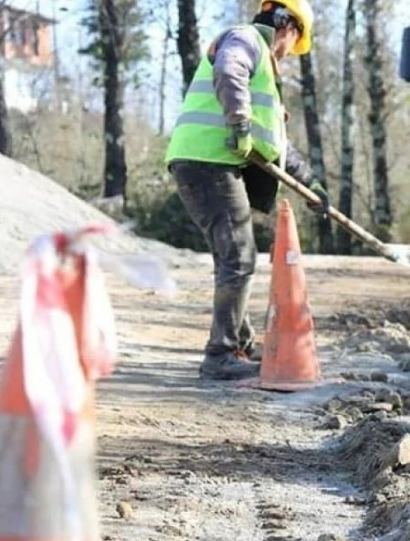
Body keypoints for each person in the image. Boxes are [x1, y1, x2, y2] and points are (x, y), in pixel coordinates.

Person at [165, 0, 330, 381]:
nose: (290, 52)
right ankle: (221, 354)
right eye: (296, 41)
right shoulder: (247, 40)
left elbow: (278, 146)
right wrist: (239, 125)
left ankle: (238, 343)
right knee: (239, 257)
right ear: (286, 25)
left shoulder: (266, 79)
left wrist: (312, 186)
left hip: (208, 163)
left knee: (233, 257)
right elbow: (228, 69)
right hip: (208, 162)